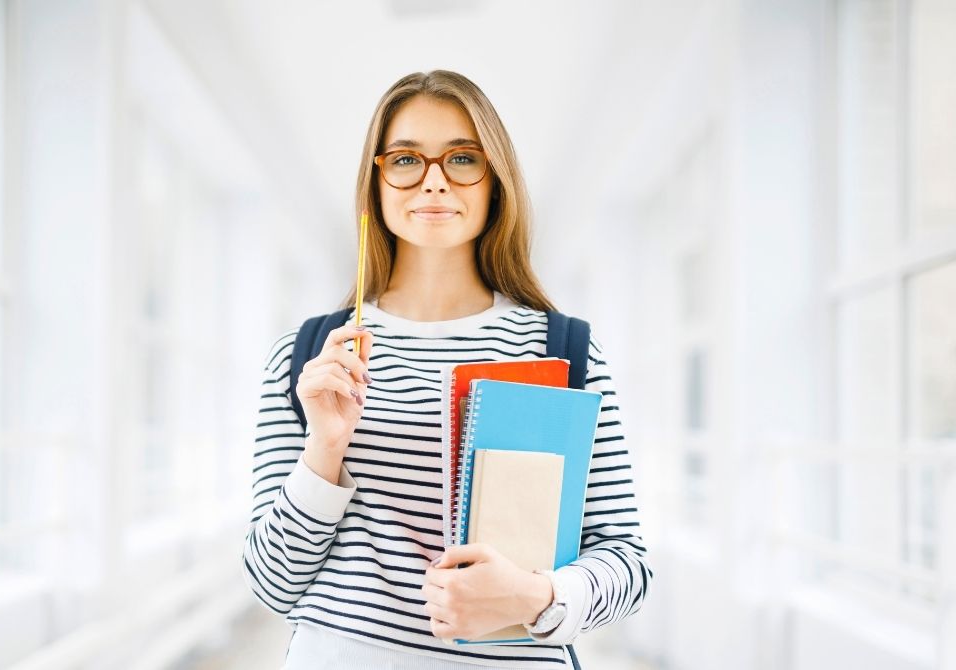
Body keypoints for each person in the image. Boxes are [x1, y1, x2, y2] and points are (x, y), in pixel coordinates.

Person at [242, 70, 651, 669]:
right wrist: (323, 452)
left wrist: (537, 595)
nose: (433, 182)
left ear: (496, 182)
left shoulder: (561, 352)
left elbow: (627, 563)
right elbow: (272, 583)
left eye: (462, 158)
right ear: (376, 181)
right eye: (407, 159)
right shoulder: (309, 356)